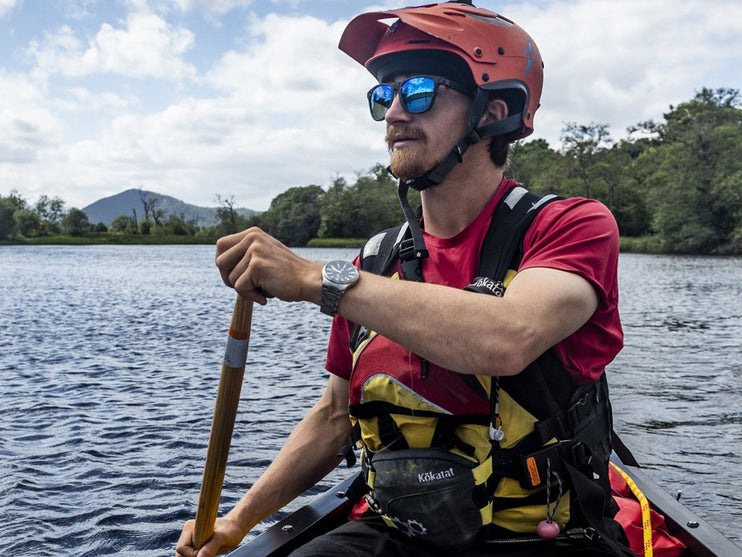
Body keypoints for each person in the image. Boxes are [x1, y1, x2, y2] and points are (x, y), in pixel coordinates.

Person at [177, 2, 634, 556]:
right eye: (383, 96)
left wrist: (317, 279)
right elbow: (334, 417)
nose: (393, 113)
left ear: (492, 112)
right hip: (400, 533)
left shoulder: (572, 225)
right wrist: (238, 521)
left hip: (542, 539)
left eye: (419, 92)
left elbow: (508, 337)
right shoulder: (374, 262)